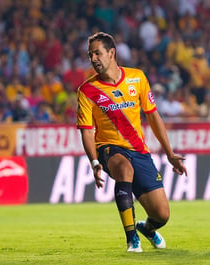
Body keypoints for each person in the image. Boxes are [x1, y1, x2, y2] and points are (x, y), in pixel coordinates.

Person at [77, 32, 187, 252]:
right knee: (124, 169)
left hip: (139, 151)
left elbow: (153, 116)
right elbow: (87, 131)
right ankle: (131, 239)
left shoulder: (137, 78)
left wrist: (170, 153)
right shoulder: (86, 90)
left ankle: (146, 229)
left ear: (111, 53)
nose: (93, 59)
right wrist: (94, 162)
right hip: (108, 149)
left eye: (97, 53)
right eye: (90, 55)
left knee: (162, 214)